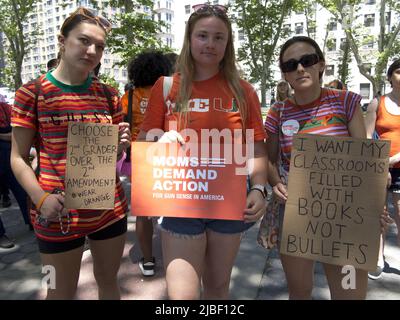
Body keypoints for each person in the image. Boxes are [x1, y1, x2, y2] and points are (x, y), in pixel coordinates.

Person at [137, 3, 268, 299]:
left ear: (228, 44)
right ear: (189, 39)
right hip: (180, 203)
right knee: (182, 294)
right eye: (203, 35)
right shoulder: (166, 86)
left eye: (219, 37)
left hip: (228, 204)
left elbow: (257, 149)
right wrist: (160, 142)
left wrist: (259, 189)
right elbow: (144, 143)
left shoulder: (243, 91)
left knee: (218, 288)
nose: (210, 44)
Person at [11, 7, 131, 299]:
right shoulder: (33, 93)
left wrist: (118, 149)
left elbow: (108, 160)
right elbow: (17, 158)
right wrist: (41, 199)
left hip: (108, 210)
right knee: (57, 291)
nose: (92, 51)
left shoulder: (109, 95)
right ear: (62, 41)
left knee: (108, 281)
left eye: (99, 46)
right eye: (84, 41)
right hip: (56, 214)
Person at [264, 36, 391, 299]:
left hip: (347, 216)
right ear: (285, 74)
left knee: (349, 294)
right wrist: (275, 182)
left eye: (307, 61)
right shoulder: (278, 112)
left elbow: (364, 158)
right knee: (299, 293)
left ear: (321, 64)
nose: (300, 68)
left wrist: (373, 208)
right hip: (297, 215)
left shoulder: (346, 102)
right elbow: (269, 159)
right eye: (290, 65)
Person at [120, 50, 171, 276]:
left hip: (139, 156)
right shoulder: (168, 92)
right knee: (173, 207)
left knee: (142, 212)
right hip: (168, 155)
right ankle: (176, 258)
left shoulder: (128, 97)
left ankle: (148, 261)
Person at [364, 58, 400, 279]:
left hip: (398, 165)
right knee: (379, 212)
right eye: (398, 72)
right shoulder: (377, 103)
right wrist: (380, 163)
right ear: (389, 77)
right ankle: (377, 256)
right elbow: (367, 136)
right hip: (378, 167)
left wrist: (394, 159)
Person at [0, 96, 33, 249]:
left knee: (22, 190)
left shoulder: (6, 108)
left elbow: (16, 135)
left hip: (7, 155)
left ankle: (32, 221)